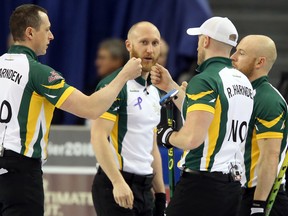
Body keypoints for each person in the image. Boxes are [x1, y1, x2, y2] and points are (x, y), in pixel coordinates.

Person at [0, 4, 142, 216]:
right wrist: (124, 75)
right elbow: (91, 108)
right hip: (20, 170)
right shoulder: (38, 72)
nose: (52, 36)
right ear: (30, 32)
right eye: (47, 29)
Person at [151, 16, 254, 216]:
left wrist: (167, 135)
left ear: (206, 41)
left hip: (201, 185)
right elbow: (211, 117)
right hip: (232, 186)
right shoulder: (243, 81)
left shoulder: (205, 80)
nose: (197, 46)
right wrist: (171, 87)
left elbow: (192, 139)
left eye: (199, 40)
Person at [90, 21, 166, 216]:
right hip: (116, 184)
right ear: (129, 45)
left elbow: (152, 145)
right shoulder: (114, 85)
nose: (150, 50)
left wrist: (159, 194)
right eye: (143, 42)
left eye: (155, 43)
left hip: (145, 187)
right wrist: (117, 182)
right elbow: (98, 136)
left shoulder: (155, 91)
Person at [231, 35, 288, 216]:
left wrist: (258, 203)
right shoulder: (241, 92)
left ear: (259, 62)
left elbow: (270, 156)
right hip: (237, 189)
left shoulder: (267, 100)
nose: (232, 57)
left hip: (258, 195)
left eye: (241, 53)